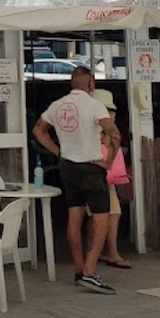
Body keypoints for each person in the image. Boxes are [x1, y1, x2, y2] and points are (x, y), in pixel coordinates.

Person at [32, 66, 120, 294]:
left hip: (68, 166)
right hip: (91, 166)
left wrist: (58, 151)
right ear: (92, 82)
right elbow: (114, 134)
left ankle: (79, 270)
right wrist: (108, 161)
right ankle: (90, 272)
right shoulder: (95, 105)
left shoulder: (58, 105)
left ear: (72, 82)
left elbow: (38, 130)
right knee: (101, 217)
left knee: (75, 214)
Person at [89, 89, 130, 269]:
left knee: (99, 215)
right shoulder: (96, 130)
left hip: (103, 178)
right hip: (96, 176)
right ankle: (109, 253)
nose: (111, 115)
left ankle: (95, 251)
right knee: (107, 214)